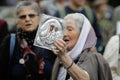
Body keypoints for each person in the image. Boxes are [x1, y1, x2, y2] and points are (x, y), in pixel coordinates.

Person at [0, 1, 56, 80]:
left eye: (31, 15)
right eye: (22, 17)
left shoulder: (49, 40)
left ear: (39, 18)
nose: (27, 19)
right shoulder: (10, 41)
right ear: (17, 21)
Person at [51, 13, 112, 80]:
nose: (64, 34)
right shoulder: (59, 58)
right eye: (63, 29)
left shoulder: (91, 57)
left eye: (70, 29)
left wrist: (64, 57)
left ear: (82, 35)